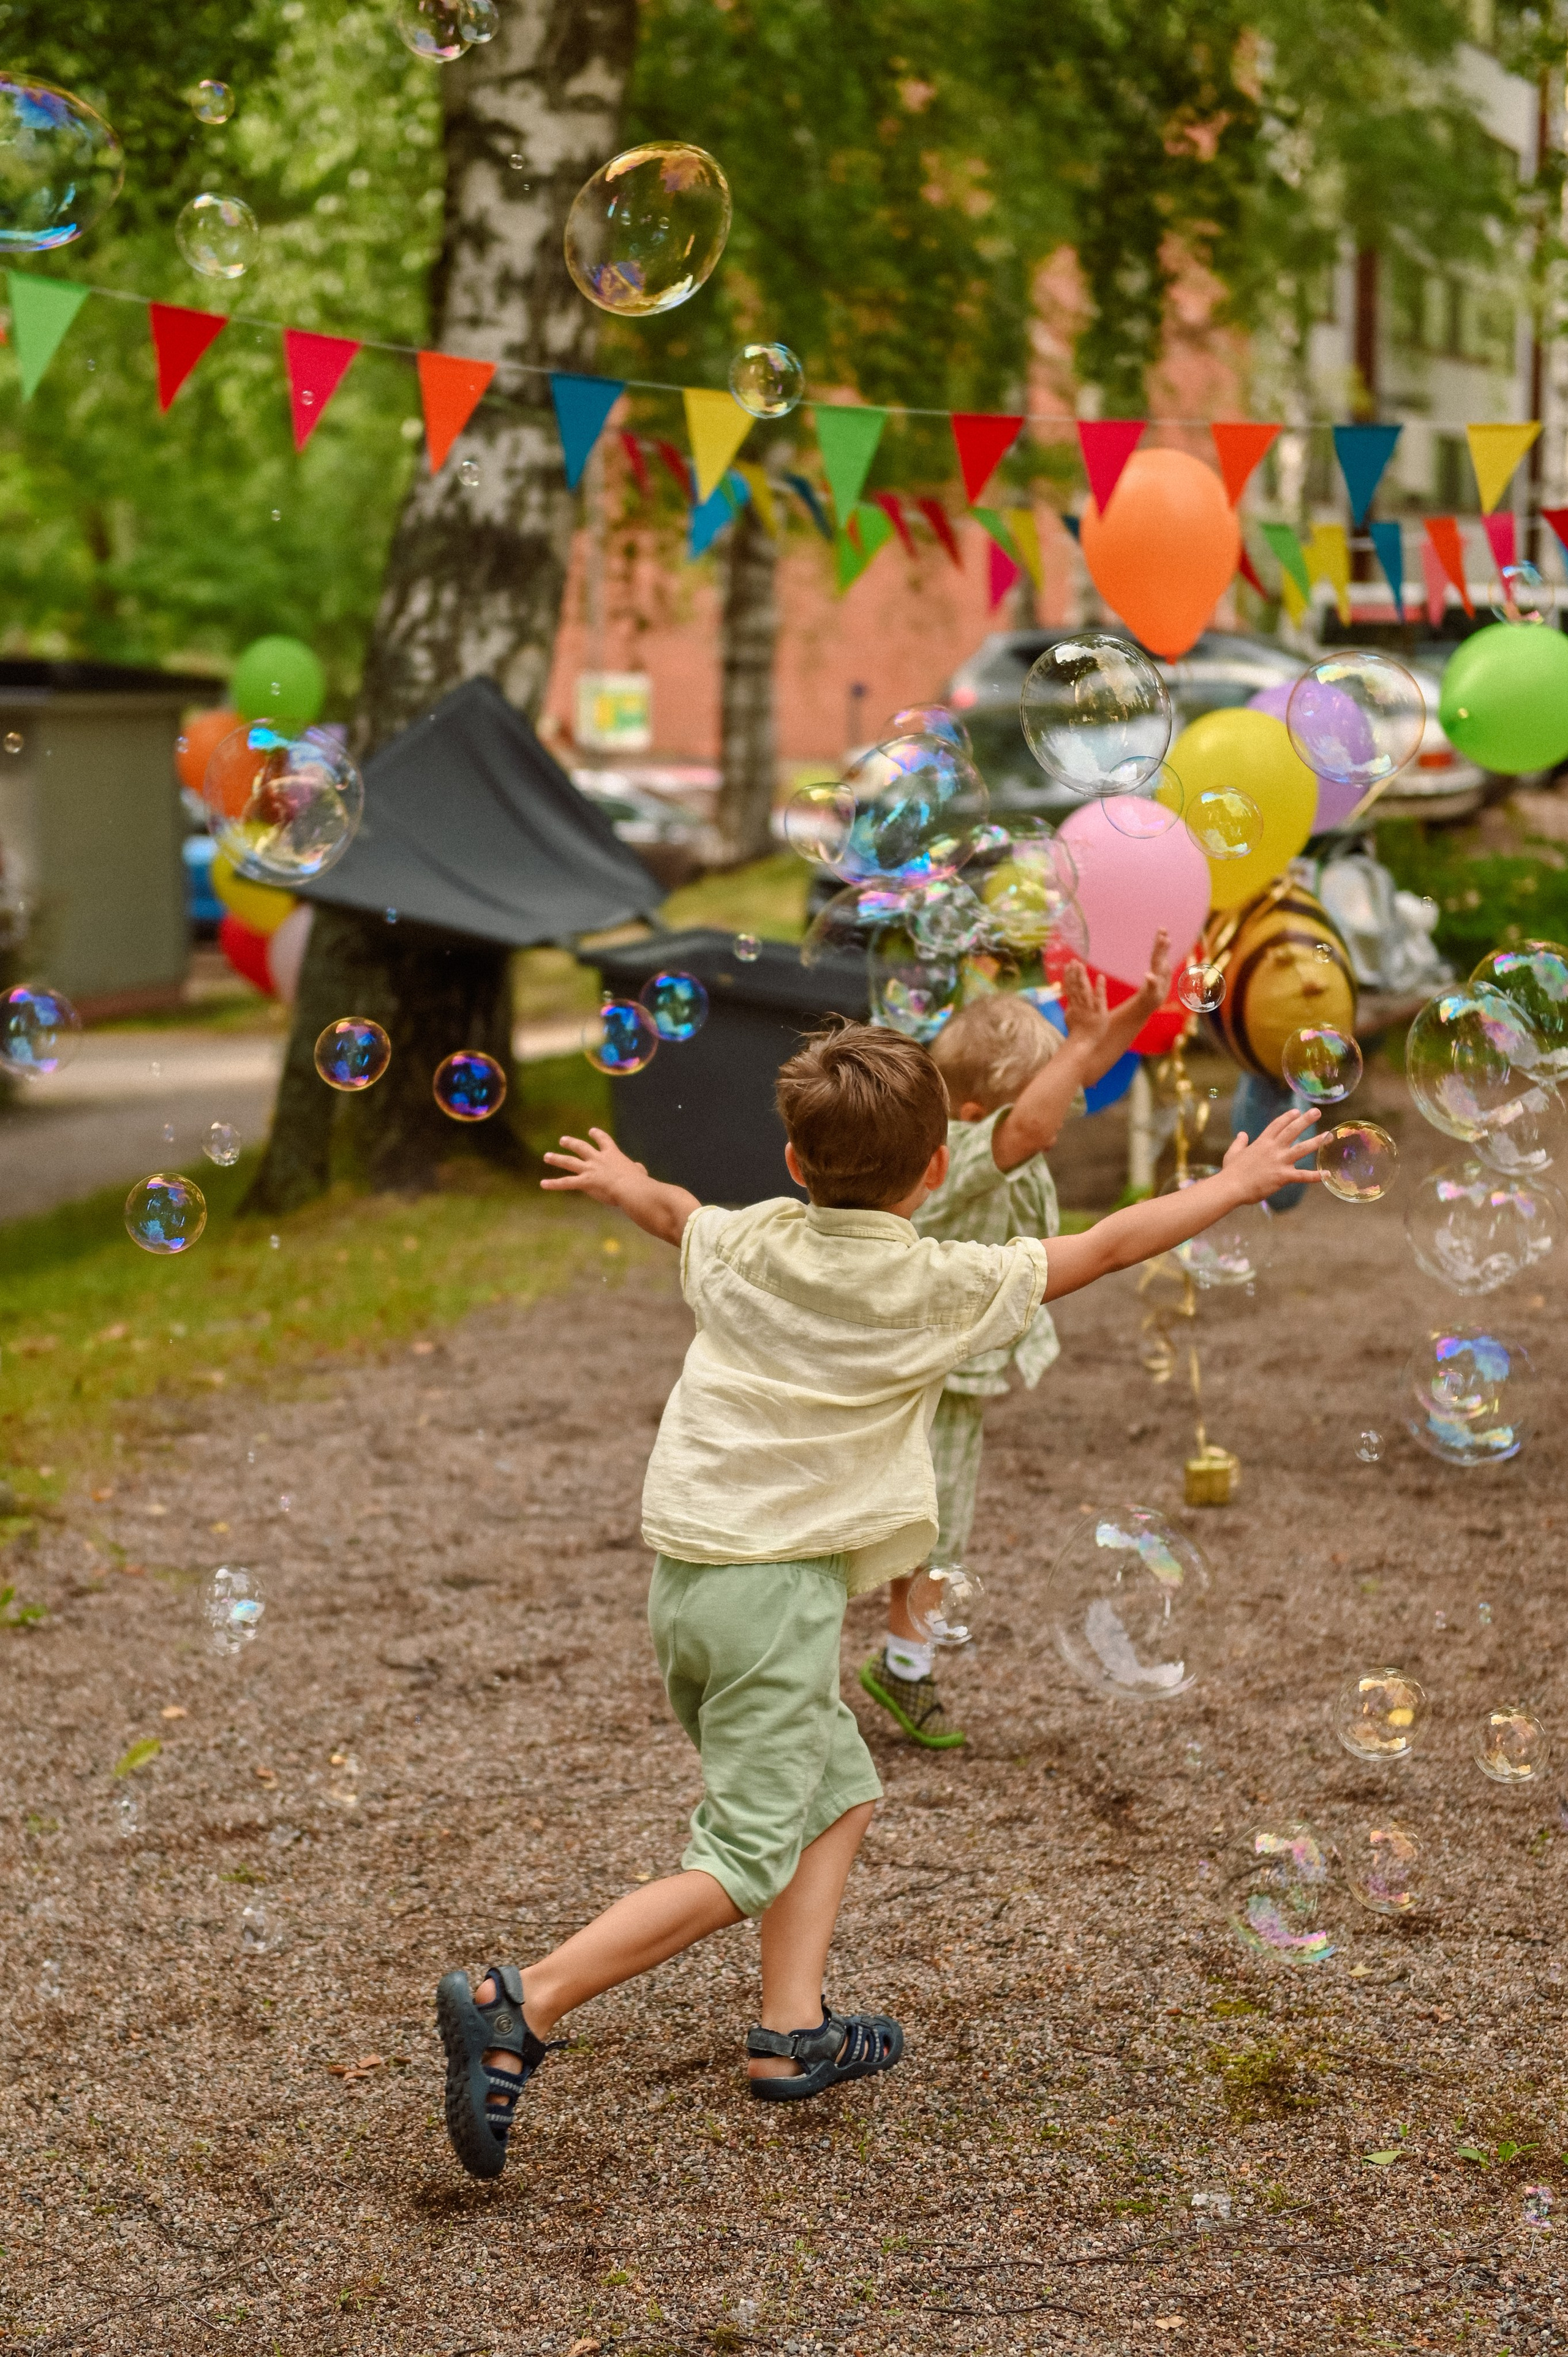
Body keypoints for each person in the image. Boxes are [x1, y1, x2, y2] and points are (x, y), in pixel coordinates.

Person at [434, 1020, 1319, 2179]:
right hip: (777, 1604)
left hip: (691, 1588)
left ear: (795, 1162)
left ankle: (792, 2033)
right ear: (938, 1166)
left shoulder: (743, 1243)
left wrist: (622, 1179)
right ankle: (525, 1999)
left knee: (839, 1790)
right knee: (747, 1852)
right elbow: (1104, 1246)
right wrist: (1235, 1182)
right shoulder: (934, 1283)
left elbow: (676, 1212)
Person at [861, 933, 1173, 1750]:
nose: (1066, 1102)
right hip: (935, 1382)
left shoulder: (971, 1137)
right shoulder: (963, 1152)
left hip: (935, 1372)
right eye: (1053, 1084)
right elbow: (1032, 1126)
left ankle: (892, 1658)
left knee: (906, 1524)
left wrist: (1129, 1017)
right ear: (975, 1113)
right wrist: (1075, 1045)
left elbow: (1054, 1102)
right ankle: (904, 1668)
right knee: (932, 1529)